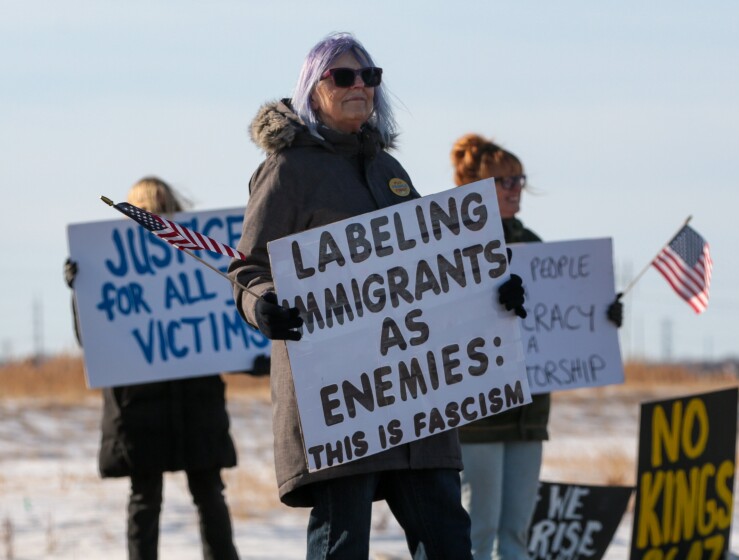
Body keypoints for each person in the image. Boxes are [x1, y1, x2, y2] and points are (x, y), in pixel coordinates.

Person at [227, 32, 526, 559]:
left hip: (416, 399)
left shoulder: (389, 170)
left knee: (449, 544)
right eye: (343, 76)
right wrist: (263, 303)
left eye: (369, 76)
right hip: (341, 403)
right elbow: (249, 268)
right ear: (312, 88)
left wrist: (490, 292)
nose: (359, 85)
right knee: (343, 545)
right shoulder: (287, 170)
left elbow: (431, 271)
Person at [450, 134, 623, 560]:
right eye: (504, 181)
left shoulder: (532, 241)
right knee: (478, 532)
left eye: (519, 180)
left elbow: (561, 312)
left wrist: (602, 316)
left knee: (516, 536)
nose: (515, 189)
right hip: (480, 414)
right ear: (476, 189)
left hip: (529, 411)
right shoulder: (455, 244)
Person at [64, 177, 240, 560]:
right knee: (186, 496)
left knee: (183, 496)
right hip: (159, 406)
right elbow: (94, 341)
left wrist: (251, 354)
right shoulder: (111, 263)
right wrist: (83, 291)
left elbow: (228, 328)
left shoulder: (198, 255)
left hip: (170, 404)